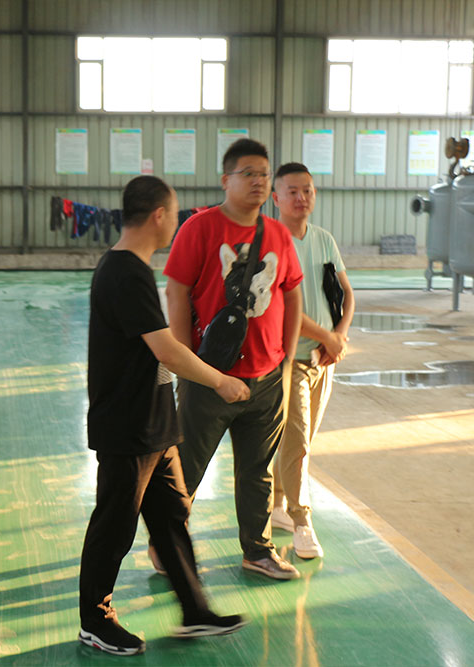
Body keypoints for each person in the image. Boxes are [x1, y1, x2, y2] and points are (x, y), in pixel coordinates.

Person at [79, 175, 249, 657]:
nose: (176, 223)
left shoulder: (132, 268)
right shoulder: (123, 273)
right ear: (158, 216)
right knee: (115, 526)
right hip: (127, 426)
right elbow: (166, 351)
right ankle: (95, 620)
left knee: (172, 516)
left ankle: (195, 611)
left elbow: (158, 347)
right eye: (173, 214)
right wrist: (219, 380)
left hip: (154, 424)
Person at [162, 138, 304, 581]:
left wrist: (285, 359)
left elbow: (292, 293)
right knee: (187, 468)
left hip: (267, 378)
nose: (258, 181)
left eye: (264, 174)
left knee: (257, 472)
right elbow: (177, 292)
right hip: (210, 377)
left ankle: (257, 551)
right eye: (249, 173)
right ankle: (165, 545)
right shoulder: (200, 229)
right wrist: (187, 363)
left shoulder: (277, 234)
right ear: (226, 180)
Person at [270, 162, 355, 559]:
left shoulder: (323, 239)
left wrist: (339, 338)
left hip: (324, 359)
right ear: (276, 198)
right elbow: (285, 309)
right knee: (298, 442)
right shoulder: (272, 243)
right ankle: (301, 520)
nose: (301, 198)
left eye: (307, 190)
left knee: (298, 442)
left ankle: (277, 504)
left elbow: (346, 293)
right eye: (292, 191)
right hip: (291, 359)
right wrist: (328, 338)